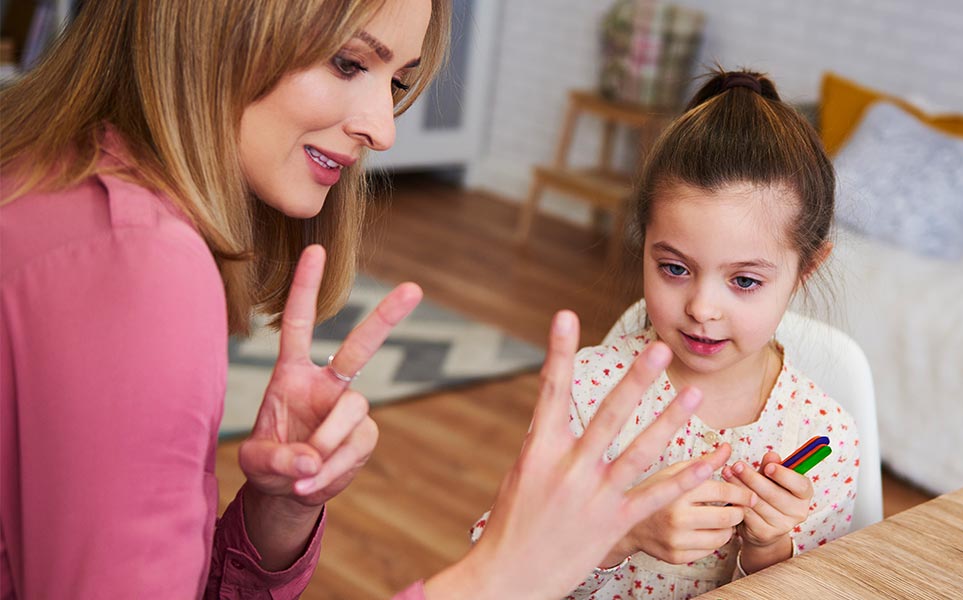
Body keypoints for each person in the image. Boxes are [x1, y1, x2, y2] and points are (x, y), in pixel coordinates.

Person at [0, 1, 719, 598]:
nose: (383, 127)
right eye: (349, 63)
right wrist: (502, 577)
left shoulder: (48, 174)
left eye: (396, 81)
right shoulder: (139, 268)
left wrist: (275, 515)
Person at [472, 69, 861, 598]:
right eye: (675, 268)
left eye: (744, 280)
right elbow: (494, 570)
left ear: (805, 271)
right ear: (645, 242)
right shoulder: (591, 391)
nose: (701, 307)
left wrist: (768, 550)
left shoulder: (825, 439)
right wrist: (624, 533)